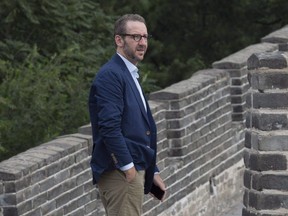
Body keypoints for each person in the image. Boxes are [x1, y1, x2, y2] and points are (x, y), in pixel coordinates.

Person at [88, 14, 166, 216]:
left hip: (132, 169)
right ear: (119, 40)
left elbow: (136, 129)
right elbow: (109, 127)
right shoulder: (111, 75)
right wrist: (129, 168)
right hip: (121, 173)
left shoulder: (127, 73)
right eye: (136, 37)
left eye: (145, 37)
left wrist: (152, 169)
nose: (143, 43)